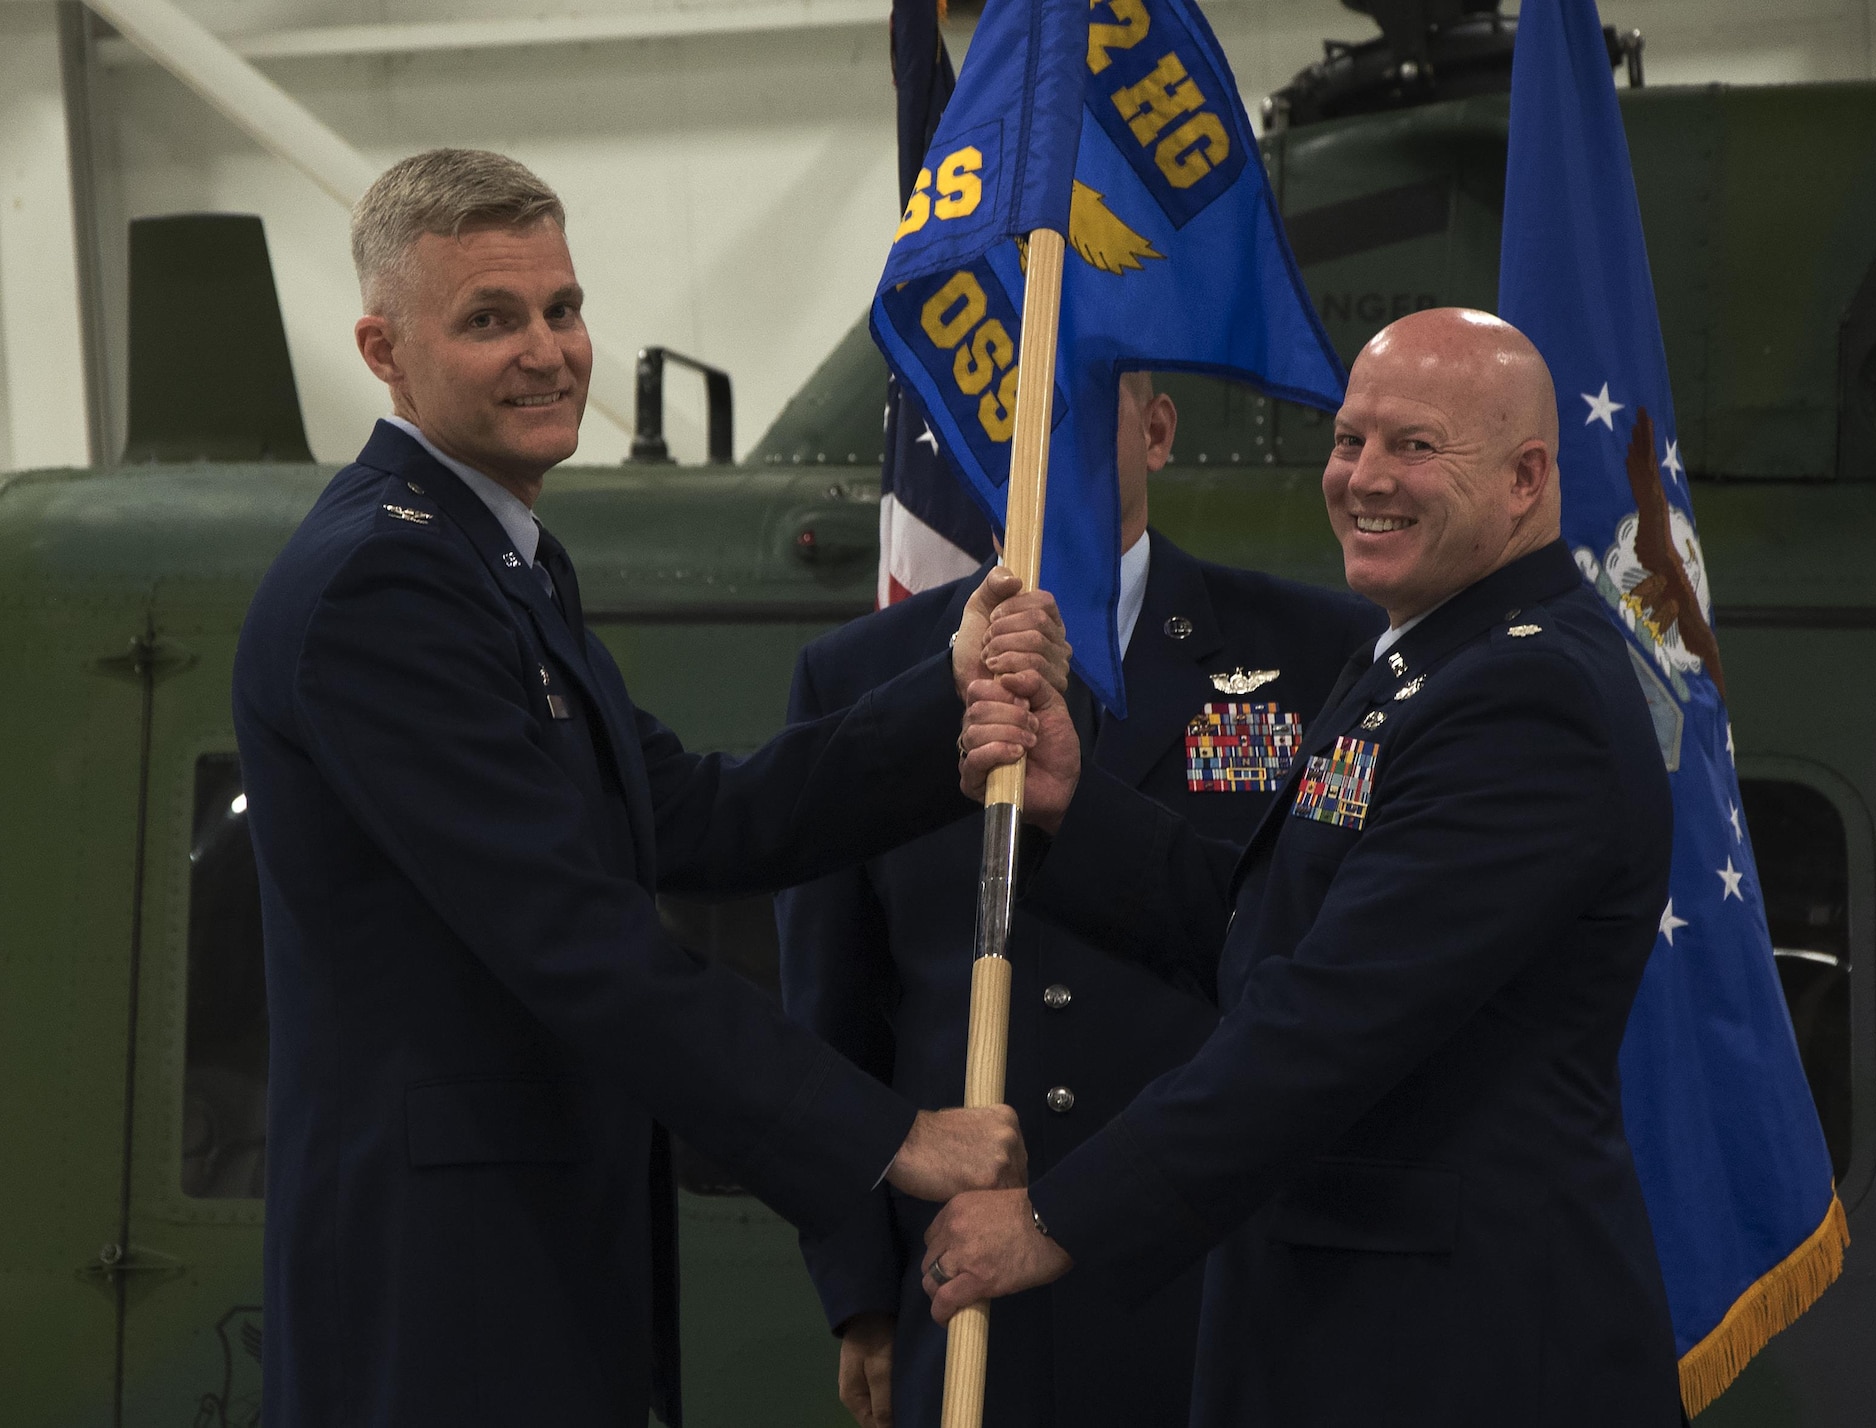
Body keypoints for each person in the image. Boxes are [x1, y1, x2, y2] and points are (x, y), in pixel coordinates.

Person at [231, 149, 1054, 1428]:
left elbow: (692, 815)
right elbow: (574, 941)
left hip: (537, 1245)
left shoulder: (493, 560)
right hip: (441, 1284)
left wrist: (939, 702)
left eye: (561, 309)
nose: (548, 351)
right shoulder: (378, 588)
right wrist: (885, 1138)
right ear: (382, 349)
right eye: (491, 319)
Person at [929, 308, 1685, 1426]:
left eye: (1414, 447)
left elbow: (1325, 1021)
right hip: (1353, 1334)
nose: (1362, 478)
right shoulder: (1419, 657)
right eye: (1348, 440)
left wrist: (1054, 1218)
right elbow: (1272, 935)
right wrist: (1072, 807)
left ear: (1526, 477)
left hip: (1453, 1358)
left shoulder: (1526, 700)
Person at [777, 371, 1384, 1428]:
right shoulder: (864, 680)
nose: (1032, 442)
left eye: (1069, 404)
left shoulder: (1315, 653)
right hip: (963, 1299)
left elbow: (1331, 973)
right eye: (1004, 412)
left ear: (1155, 431)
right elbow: (831, 1018)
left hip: (1223, 1279)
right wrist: (858, 1297)